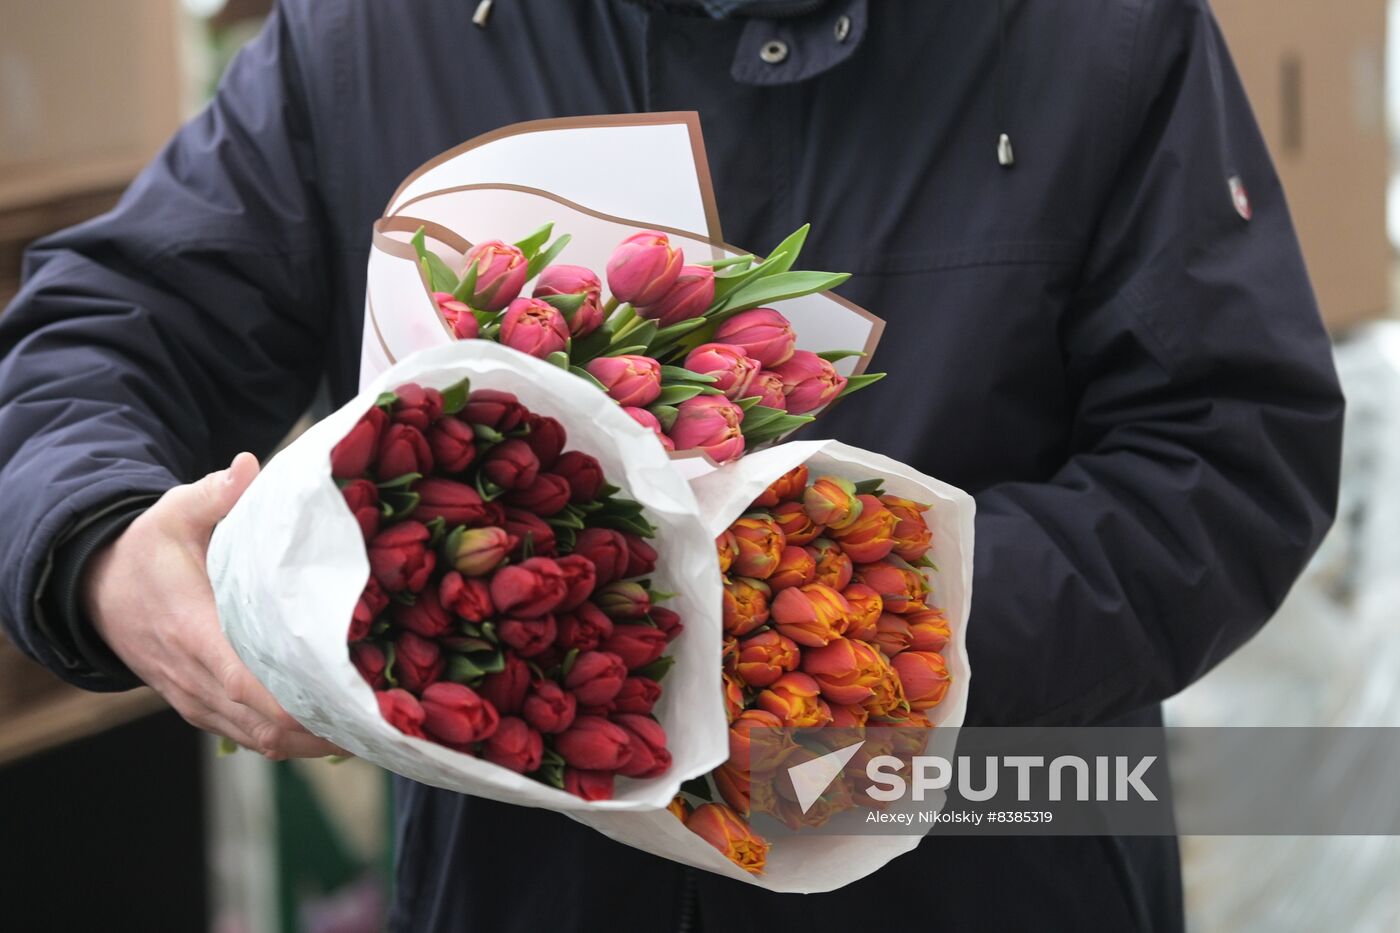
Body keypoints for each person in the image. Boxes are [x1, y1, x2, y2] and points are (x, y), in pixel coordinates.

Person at [0, 1, 1343, 930]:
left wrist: (832, 635)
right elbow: (104, 334)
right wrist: (99, 545)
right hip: (527, 886)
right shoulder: (375, 37)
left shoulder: (1096, 36)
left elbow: (1229, 450)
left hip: (983, 863)